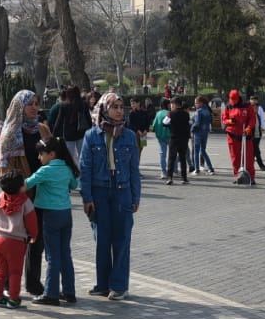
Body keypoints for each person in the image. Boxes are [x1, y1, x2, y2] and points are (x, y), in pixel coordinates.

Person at [80, 92, 141, 300]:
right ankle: (102, 283)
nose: (119, 110)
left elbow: (134, 170)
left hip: (122, 191)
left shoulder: (129, 136)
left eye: (121, 106)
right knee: (102, 239)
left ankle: (119, 285)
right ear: (105, 109)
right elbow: (85, 168)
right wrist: (87, 198)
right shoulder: (91, 135)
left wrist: (135, 197)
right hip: (99, 191)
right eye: (114, 106)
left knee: (122, 238)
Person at [0, 90, 52, 298]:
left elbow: (53, 156)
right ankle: (8, 282)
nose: (34, 107)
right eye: (30, 104)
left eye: (37, 103)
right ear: (20, 106)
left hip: (41, 192)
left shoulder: (42, 129)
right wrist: (18, 188)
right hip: (19, 194)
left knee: (37, 239)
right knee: (15, 240)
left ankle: (33, 283)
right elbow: (4, 170)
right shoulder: (10, 132)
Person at [26, 138, 80, 305]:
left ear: (51, 154)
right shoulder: (67, 168)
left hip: (50, 215)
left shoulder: (45, 171)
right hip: (66, 213)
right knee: (65, 253)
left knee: (52, 255)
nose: (38, 158)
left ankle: (51, 293)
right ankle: (69, 291)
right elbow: (74, 184)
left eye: (41, 154)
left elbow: (27, 183)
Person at [0, 169, 38, 308]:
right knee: (15, 272)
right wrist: (34, 235)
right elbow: (31, 222)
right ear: (20, 187)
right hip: (16, 241)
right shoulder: (25, 202)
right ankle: (13, 298)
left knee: (0, 271)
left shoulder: (1, 197)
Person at [222, 89, 257, 184]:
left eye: (234, 100)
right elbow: (224, 119)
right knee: (235, 158)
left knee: (249, 158)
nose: (233, 102)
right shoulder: (228, 106)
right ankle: (237, 176)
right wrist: (230, 121)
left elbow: (252, 118)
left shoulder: (247, 106)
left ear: (239, 98)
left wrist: (249, 128)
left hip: (246, 135)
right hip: (232, 135)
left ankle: (251, 177)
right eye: (231, 100)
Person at [51, 86, 92, 164]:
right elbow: (88, 119)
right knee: (82, 155)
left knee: (70, 156)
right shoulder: (83, 104)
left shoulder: (64, 105)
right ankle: (83, 171)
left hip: (68, 134)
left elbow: (59, 121)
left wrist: (53, 135)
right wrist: (90, 130)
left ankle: (73, 172)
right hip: (81, 132)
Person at [164, 99, 191, 185]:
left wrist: (170, 126)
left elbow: (164, 123)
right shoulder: (186, 114)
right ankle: (184, 178)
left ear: (175, 104)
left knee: (171, 158)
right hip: (184, 139)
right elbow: (188, 124)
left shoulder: (170, 114)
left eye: (171, 104)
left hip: (174, 138)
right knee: (183, 158)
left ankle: (170, 178)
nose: (170, 106)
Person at [191, 96, 215, 175]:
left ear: (201, 103)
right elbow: (211, 121)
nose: (195, 105)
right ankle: (210, 168)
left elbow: (197, 123)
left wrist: (191, 129)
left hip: (198, 132)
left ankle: (197, 169)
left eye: (196, 103)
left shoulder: (199, 111)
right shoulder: (207, 110)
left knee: (196, 151)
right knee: (203, 151)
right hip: (205, 133)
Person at [150, 101, 171, 180]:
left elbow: (154, 125)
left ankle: (163, 172)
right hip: (169, 135)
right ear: (167, 105)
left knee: (162, 154)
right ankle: (173, 170)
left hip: (160, 136)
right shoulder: (169, 113)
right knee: (172, 153)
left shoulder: (158, 113)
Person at [249, 97, 265, 172]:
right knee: (256, 151)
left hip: (257, 135)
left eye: (257, 104)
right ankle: (260, 165)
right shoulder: (249, 115)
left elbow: (261, 120)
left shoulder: (257, 114)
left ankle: (250, 165)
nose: (256, 106)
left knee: (255, 151)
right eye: (253, 105)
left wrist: (262, 128)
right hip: (251, 136)